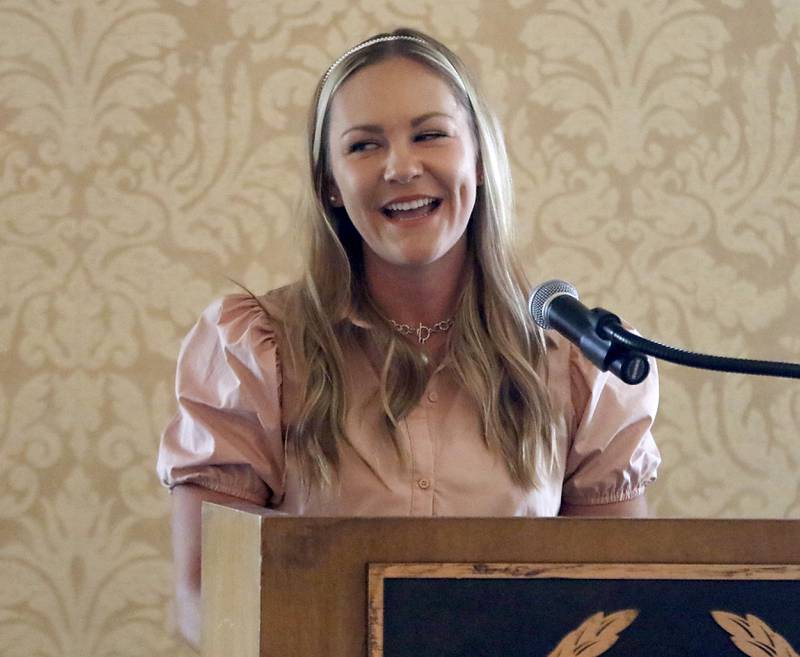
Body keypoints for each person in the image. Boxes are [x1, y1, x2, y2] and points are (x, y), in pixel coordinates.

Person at [156, 27, 660, 648]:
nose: (401, 167)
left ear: (477, 157)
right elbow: (209, 598)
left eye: (430, 134)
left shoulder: (575, 361)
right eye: (365, 145)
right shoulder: (255, 350)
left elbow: (614, 601)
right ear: (331, 186)